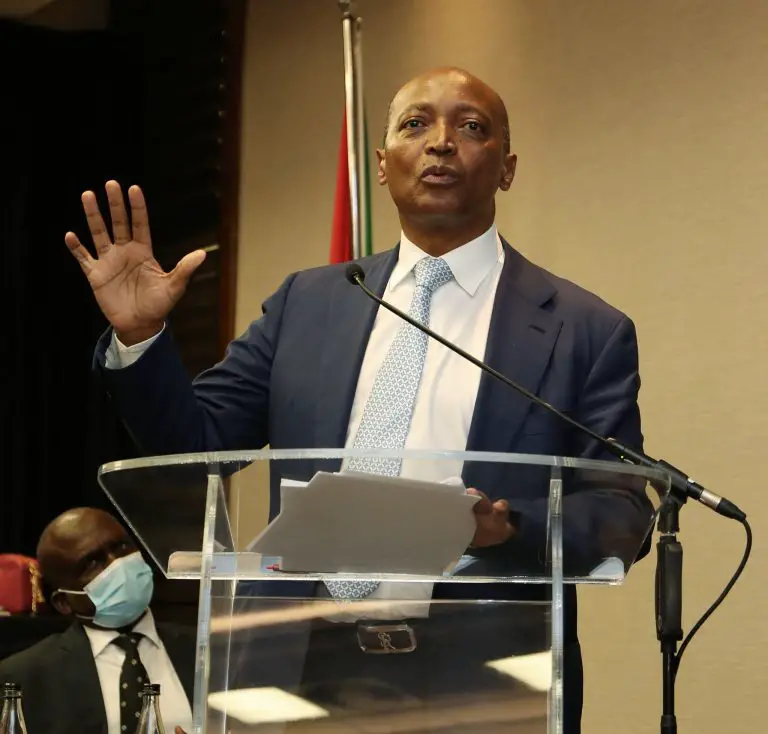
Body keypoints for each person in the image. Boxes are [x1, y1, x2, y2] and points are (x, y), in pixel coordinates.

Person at [64, 67, 652, 732]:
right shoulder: (307, 303)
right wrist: (141, 336)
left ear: (507, 168)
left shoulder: (583, 329)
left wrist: (509, 527)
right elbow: (196, 447)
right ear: (381, 164)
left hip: (485, 676)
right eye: (415, 124)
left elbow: (621, 511)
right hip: (296, 664)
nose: (440, 142)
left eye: (471, 127)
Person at [0, 508, 194, 734]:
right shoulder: (23, 676)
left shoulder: (208, 650)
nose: (118, 564)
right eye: (93, 563)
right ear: (64, 602)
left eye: (122, 547)